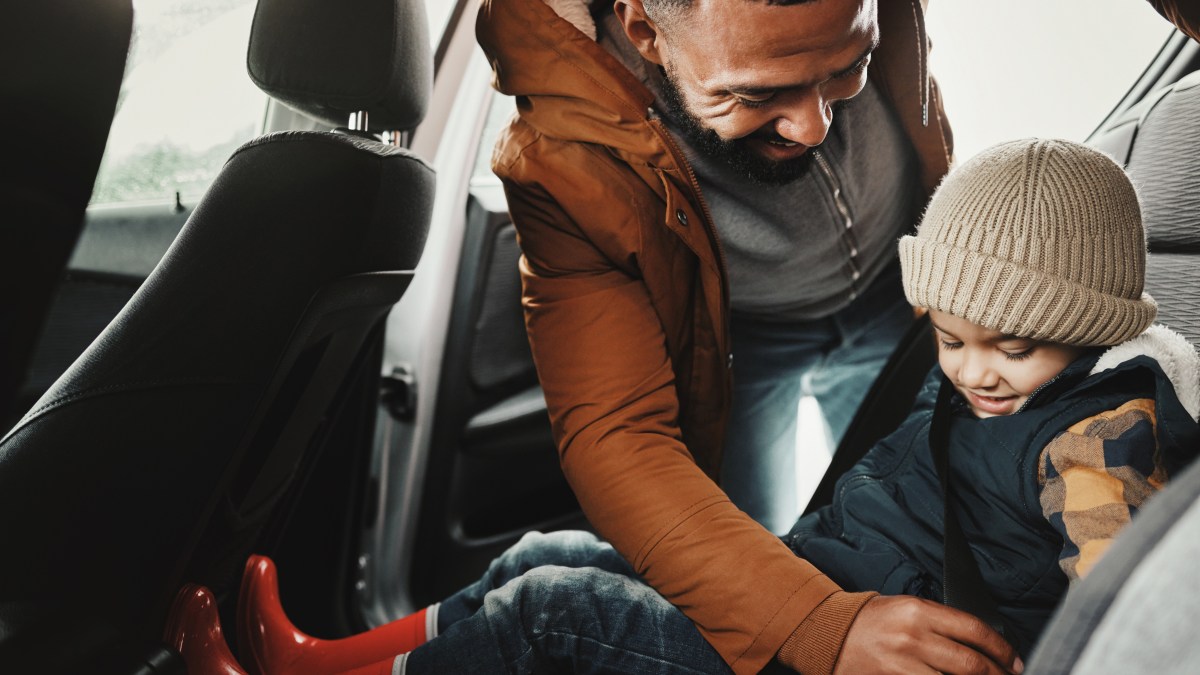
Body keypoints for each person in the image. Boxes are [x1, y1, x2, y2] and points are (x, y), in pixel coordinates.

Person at [163, 138, 1200, 674]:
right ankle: (314, 659)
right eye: (952, 337)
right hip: (827, 590)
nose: (977, 371)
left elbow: (1123, 619)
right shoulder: (994, 377)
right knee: (546, 551)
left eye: (1014, 349)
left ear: (1092, 327)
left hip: (865, 654)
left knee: (555, 610)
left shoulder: (1100, 443)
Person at [474, 0, 965, 671]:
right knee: (760, 558)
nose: (814, 126)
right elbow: (617, 433)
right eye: (757, 94)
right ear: (645, 30)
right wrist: (817, 624)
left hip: (900, 293)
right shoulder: (563, 155)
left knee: (929, 516)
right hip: (741, 343)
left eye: (849, 68)